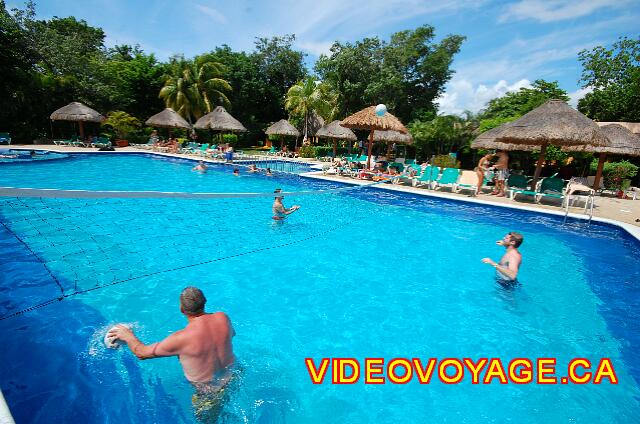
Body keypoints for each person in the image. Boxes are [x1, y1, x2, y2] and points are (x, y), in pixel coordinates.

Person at [107, 287, 236, 418]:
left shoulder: (181, 339)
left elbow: (141, 353)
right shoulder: (223, 318)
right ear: (204, 302)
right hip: (233, 377)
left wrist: (127, 335)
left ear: (182, 310)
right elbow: (232, 335)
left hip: (208, 393)